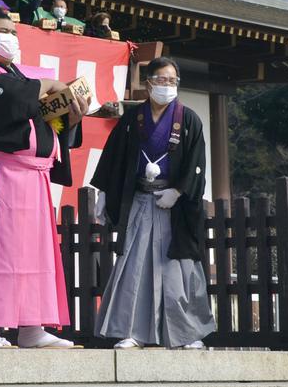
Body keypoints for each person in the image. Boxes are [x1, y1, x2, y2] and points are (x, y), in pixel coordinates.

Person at [0, 7, 88, 349]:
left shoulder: (20, 77)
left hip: (31, 178)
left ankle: (32, 327)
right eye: (3, 30)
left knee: (33, 255)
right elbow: (9, 100)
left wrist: (69, 111)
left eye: (14, 30)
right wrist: (50, 85)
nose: (11, 36)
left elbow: (42, 122)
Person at [90, 57, 214, 350]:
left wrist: (180, 191)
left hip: (174, 206)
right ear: (148, 84)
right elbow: (114, 157)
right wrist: (105, 191)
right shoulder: (133, 119)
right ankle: (132, 331)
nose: (166, 86)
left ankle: (187, 334)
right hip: (141, 201)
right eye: (161, 80)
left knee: (178, 271)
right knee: (134, 267)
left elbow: (197, 163)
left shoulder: (189, 120)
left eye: (172, 81)